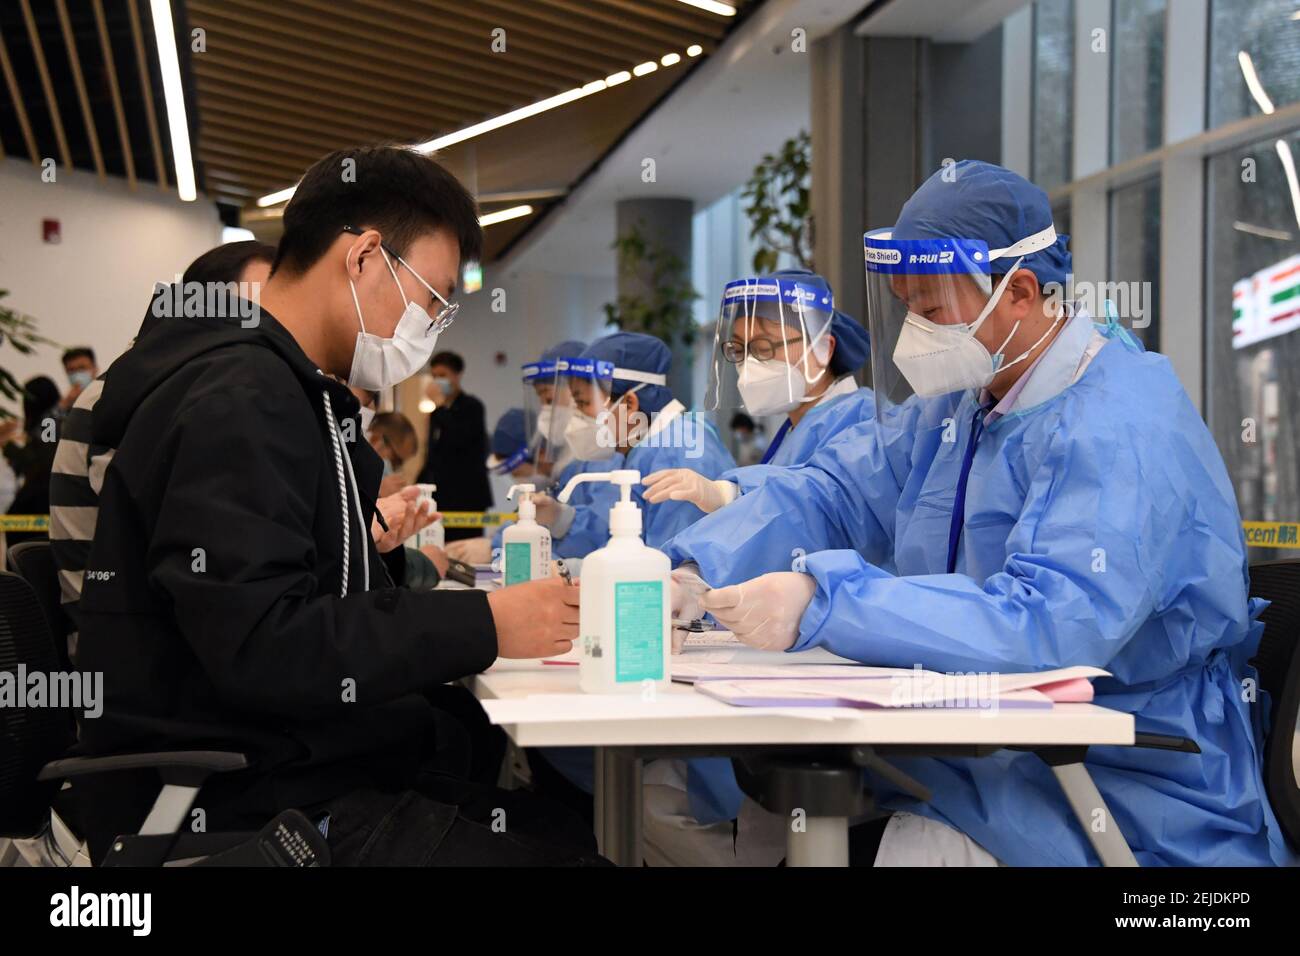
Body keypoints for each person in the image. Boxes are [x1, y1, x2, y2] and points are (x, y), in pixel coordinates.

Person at [666, 160, 1295, 867]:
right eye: (906, 307)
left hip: (1130, 776)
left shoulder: (1119, 425)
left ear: (1020, 292)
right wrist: (691, 569)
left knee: (905, 843)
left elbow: (1049, 621)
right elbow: (837, 490)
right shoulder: (970, 400)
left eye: (931, 311)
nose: (914, 332)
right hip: (1003, 747)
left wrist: (825, 600)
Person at [71, 145, 597, 866]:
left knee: (551, 820)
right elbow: (264, 644)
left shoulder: (287, 389)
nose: (432, 327)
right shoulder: (240, 397)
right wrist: (482, 621)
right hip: (247, 797)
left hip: (288, 760)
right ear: (365, 257)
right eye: (434, 300)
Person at [50, 241, 276, 663]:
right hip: (131, 663)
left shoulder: (147, 382)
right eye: (260, 313)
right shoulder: (134, 394)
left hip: (152, 643)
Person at [643, 269, 874, 519]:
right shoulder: (799, 428)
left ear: (822, 349)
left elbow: (822, 511)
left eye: (764, 347)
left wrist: (730, 494)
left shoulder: (861, 421)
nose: (749, 364)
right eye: (739, 349)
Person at [416, 350, 492, 542]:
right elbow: (432, 455)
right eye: (434, 376)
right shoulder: (436, 413)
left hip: (467, 496)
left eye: (442, 375)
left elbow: (461, 440)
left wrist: (441, 405)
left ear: (457, 375)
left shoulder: (472, 407)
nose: (437, 381)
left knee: (465, 551)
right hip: (441, 497)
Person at [5, 376, 61, 546]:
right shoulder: (50, 422)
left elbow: (43, 460)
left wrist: (9, 447)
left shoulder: (49, 423)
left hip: (38, 505)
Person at [58, 347, 98, 416]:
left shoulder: (106, 396)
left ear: (95, 368)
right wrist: (63, 405)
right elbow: (47, 425)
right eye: (71, 370)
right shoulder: (65, 405)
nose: (77, 374)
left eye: (82, 368)